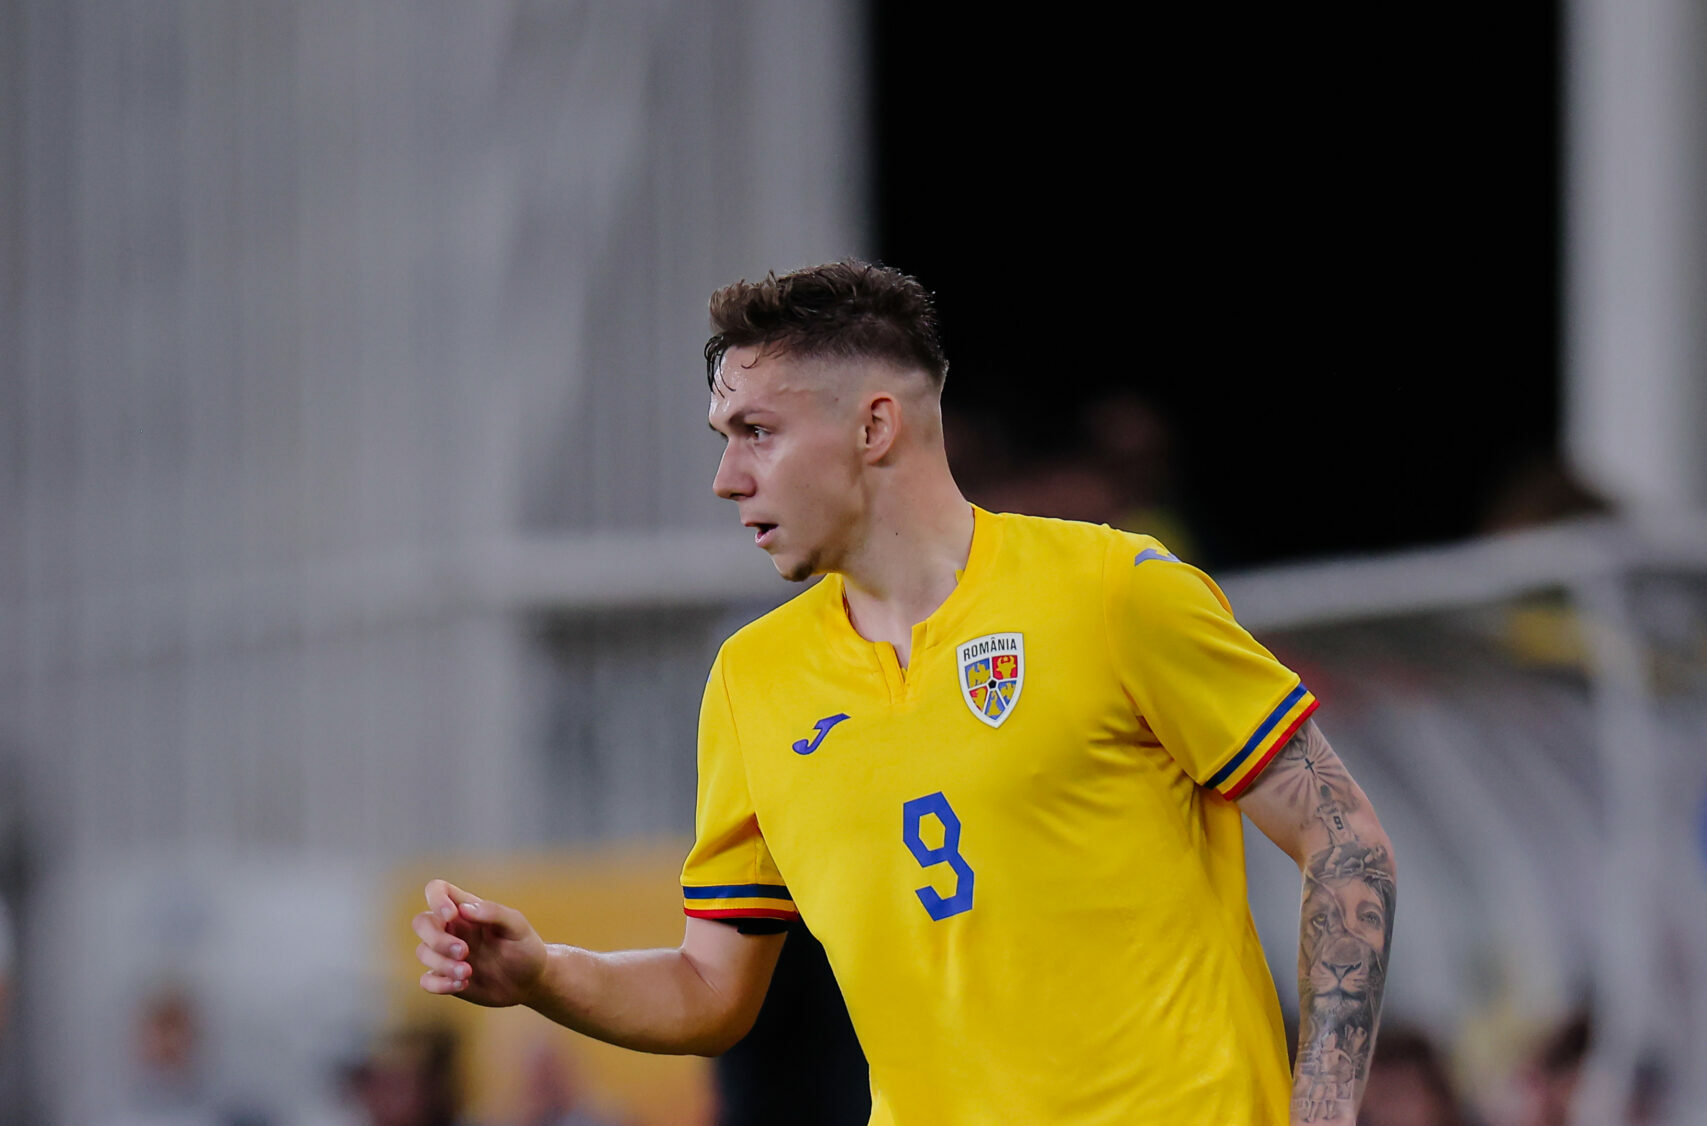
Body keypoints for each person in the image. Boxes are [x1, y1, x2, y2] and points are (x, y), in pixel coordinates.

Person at [413, 261, 1398, 1124]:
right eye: (724, 435)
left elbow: (1345, 838)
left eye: (756, 432)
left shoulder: (1113, 591)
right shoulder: (752, 681)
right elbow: (711, 990)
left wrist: (1322, 1105)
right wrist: (544, 972)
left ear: (874, 425)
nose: (725, 477)